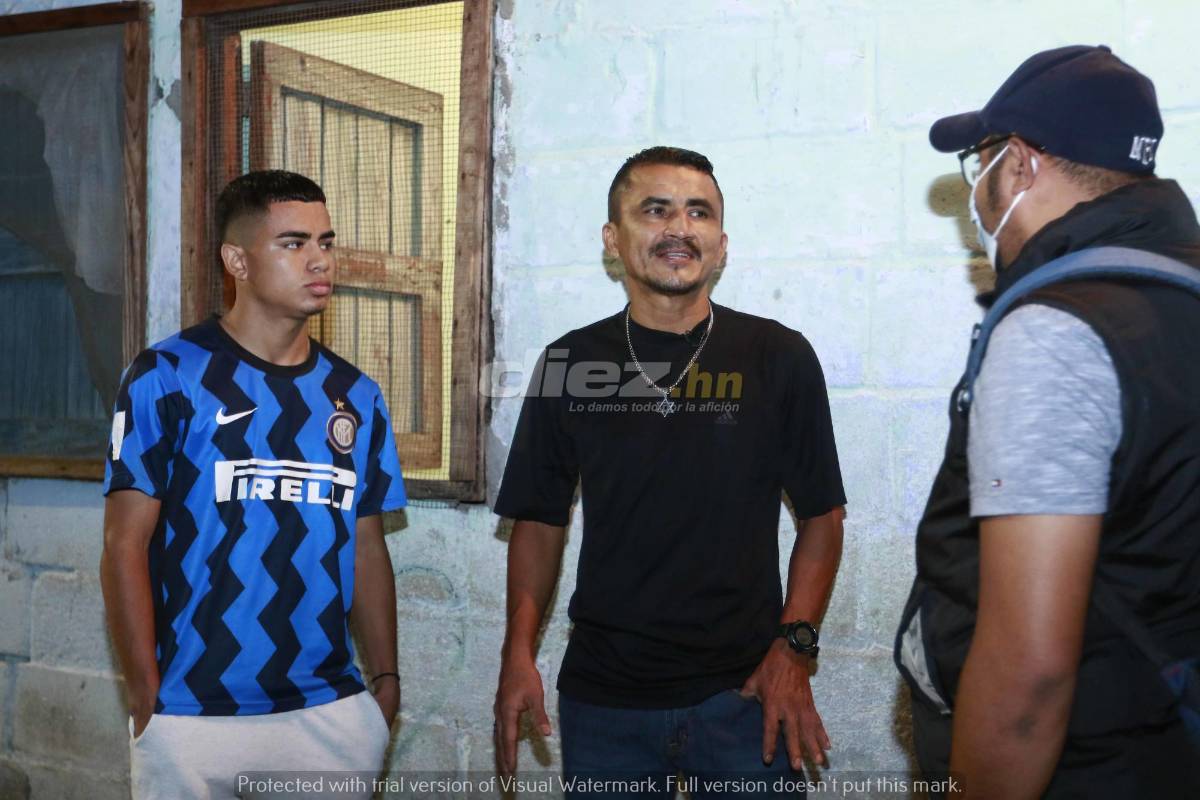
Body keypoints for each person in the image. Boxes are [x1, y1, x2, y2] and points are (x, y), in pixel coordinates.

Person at [492, 146, 846, 796]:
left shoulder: (779, 357)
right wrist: (518, 653)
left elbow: (823, 518)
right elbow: (539, 522)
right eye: (655, 211)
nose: (679, 228)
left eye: (698, 213)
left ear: (721, 241)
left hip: (748, 694)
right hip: (605, 703)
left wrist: (794, 651)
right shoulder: (568, 363)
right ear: (613, 238)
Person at [896, 45, 1200, 798]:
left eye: (982, 163)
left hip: (1081, 768)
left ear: (1021, 166)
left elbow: (1028, 679)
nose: (980, 193)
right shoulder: (1182, 296)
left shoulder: (1056, 333)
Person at [100, 170, 407, 799]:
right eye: (293, 243)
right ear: (236, 260)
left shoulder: (357, 397)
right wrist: (146, 695)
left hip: (331, 712)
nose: (319, 258)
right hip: (191, 715)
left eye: (326, 240)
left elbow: (367, 545)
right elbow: (123, 545)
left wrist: (386, 684)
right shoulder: (168, 375)